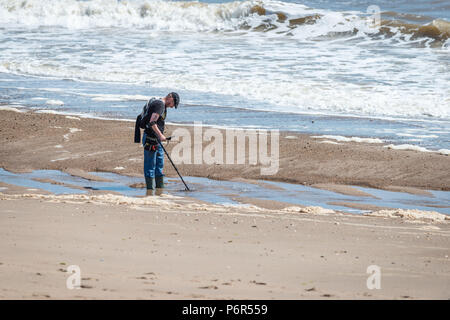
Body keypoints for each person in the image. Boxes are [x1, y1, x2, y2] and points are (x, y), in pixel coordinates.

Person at [141, 92, 180, 191]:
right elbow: (152, 122)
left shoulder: (161, 105)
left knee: (159, 164)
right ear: (170, 97)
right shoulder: (159, 105)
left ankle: (159, 188)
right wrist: (160, 135)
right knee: (150, 165)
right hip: (150, 138)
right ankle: (150, 190)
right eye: (173, 104)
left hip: (156, 139)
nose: (172, 107)